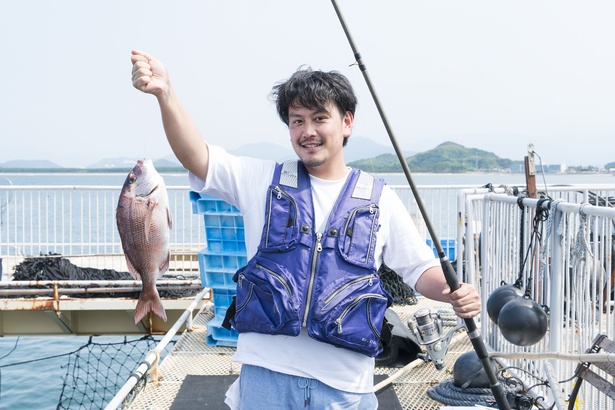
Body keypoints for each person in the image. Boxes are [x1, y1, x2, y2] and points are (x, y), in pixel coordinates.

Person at [130, 49, 481, 410]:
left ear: (346, 123)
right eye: (297, 121)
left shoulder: (381, 199)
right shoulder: (262, 180)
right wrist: (165, 94)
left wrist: (451, 291)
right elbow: (197, 157)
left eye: (319, 118)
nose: (308, 131)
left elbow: (419, 268)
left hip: (346, 384)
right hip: (266, 375)